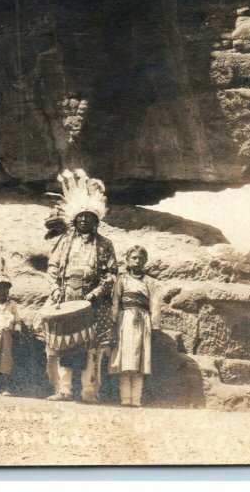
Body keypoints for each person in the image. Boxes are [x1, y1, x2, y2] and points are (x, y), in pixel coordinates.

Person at [45, 169, 118, 403]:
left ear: (97, 220)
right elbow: (53, 268)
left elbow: (111, 274)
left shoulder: (105, 245)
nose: (84, 220)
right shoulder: (64, 241)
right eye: (81, 216)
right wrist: (56, 289)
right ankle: (64, 390)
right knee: (63, 344)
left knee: (91, 347)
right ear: (74, 219)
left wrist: (95, 294)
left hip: (92, 303)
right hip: (66, 297)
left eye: (89, 216)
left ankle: (89, 392)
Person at [109, 245, 160, 407]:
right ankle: (125, 399)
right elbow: (116, 301)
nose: (137, 261)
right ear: (127, 260)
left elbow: (155, 304)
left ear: (145, 261)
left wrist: (154, 325)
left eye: (140, 258)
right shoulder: (122, 279)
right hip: (125, 321)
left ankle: (136, 400)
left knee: (139, 360)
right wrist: (113, 320)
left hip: (143, 321)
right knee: (125, 359)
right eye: (134, 258)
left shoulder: (150, 282)